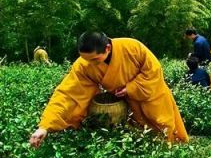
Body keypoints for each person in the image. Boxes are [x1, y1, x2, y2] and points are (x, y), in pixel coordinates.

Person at [29, 32, 189, 148]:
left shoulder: (132, 47)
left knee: (163, 125)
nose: (89, 64)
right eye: (85, 59)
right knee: (142, 133)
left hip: (153, 95)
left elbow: (153, 71)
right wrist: (45, 126)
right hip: (129, 102)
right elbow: (68, 93)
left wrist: (130, 87)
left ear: (107, 48)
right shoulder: (84, 64)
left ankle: (170, 156)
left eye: (94, 59)